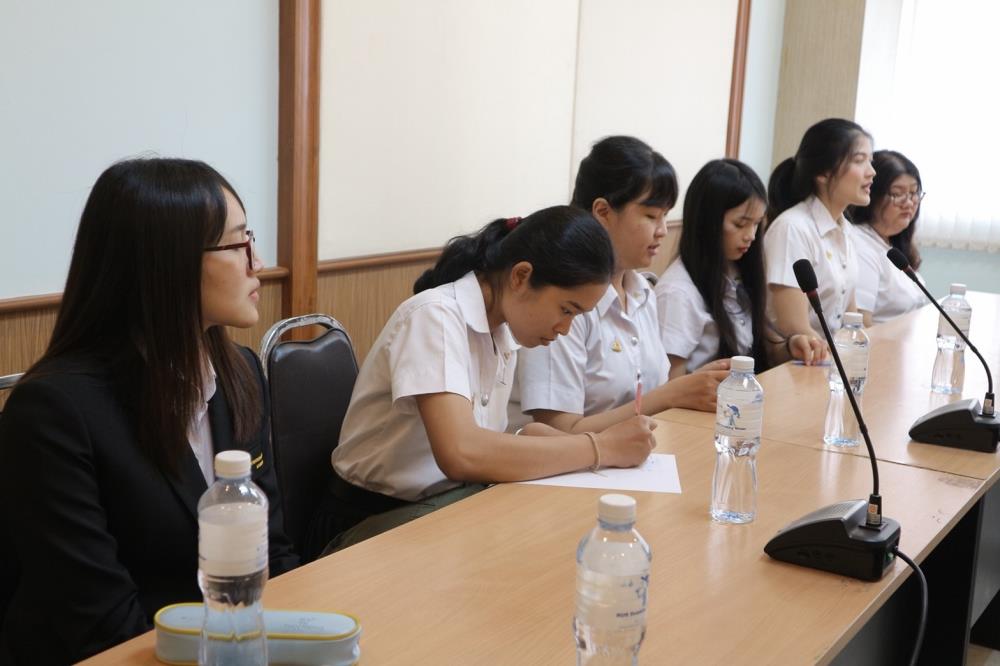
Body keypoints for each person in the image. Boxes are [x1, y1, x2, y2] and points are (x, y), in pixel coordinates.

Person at [0, 158, 298, 664]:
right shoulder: (53, 413)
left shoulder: (240, 373)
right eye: (237, 244)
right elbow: (101, 626)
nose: (259, 262)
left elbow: (273, 550)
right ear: (167, 263)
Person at [307, 206, 657, 558]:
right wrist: (600, 448)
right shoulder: (434, 317)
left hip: (445, 509)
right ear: (521, 276)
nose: (565, 328)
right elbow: (461, 453)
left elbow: (479, 445)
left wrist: (532, 439)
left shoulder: (502, 330)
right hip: (370, 524)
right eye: (566, 310)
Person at [513, 136, 729, 437]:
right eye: (651, 216)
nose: (662, 231)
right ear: (603, 212)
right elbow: (557, 431)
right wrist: (670, 394)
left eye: (665, 216)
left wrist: (685, 389)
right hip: (573, 462)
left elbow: (650, 400)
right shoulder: (563, 300)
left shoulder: (642, 291)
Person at [655, 159, 825, 377]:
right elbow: (673, 386)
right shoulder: (677, 293)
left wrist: (791, 346)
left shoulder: (736, 272)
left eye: (756, 223)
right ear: (707, 221)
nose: (751, 236)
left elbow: (761, 351)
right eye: (740, 224)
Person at [763, 118, 875, 341]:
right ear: (823, 172)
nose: (871, 172)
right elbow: (794, 328)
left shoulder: (846, 230)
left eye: (870, 161)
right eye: (859, 160)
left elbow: (851, 320)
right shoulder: (792, 228)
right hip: (797, 358)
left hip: (832, 356)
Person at [849, 150, 929, 325]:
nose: (909, 202)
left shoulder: (892, 242)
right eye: (897, 194)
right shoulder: (859, 244)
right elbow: (861, 325)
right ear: (872, 194)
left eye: (914, 192)